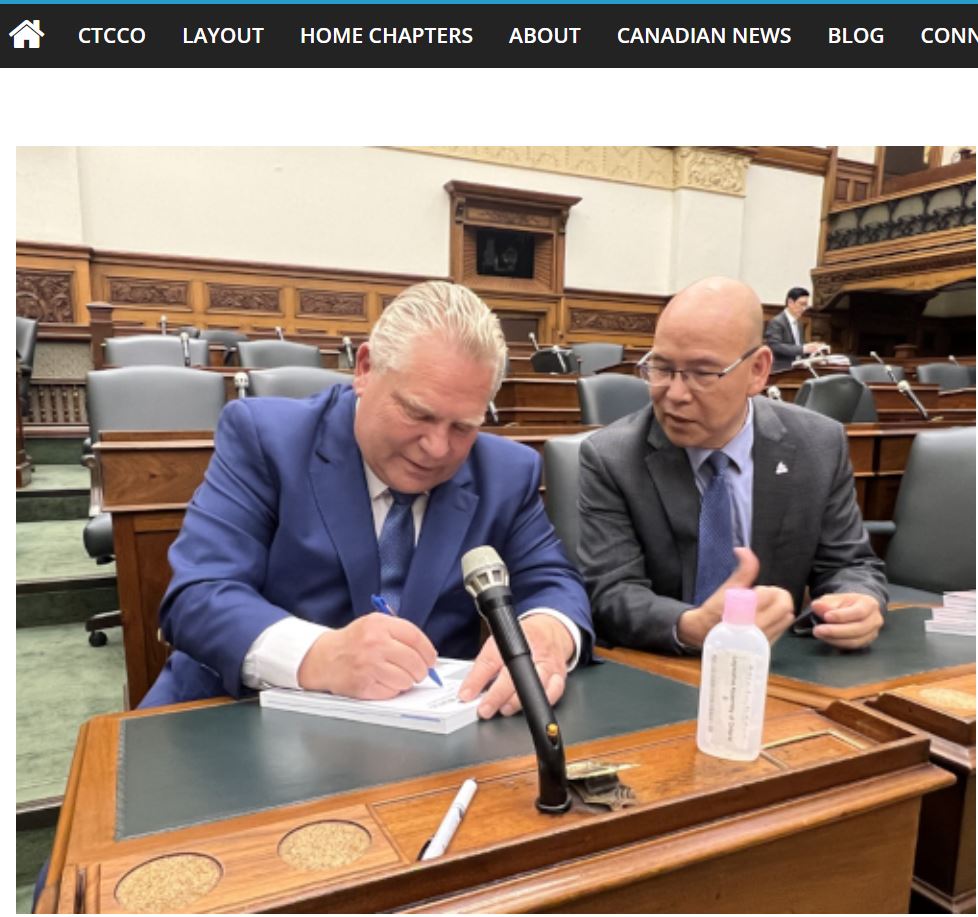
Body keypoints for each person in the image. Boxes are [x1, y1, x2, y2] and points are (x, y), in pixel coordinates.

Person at [142, 280, 593, 719]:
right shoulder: (266, 438)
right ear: (365, 369)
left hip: (420, 745)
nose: (437, 448)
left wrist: (548, 632)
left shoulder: (506, 472)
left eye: (463, 427)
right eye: (417, 413)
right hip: (238, 719)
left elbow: (552, 581)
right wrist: (320, 655)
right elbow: (198, 597)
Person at [578, 276, 886, 655]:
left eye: (703, 373)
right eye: (661, 368)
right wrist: (690, 626)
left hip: (777, 667)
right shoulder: (611, 457)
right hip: (661, 666)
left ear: (758, 370)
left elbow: (849, 563)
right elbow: (609, 591)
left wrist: (857, 601)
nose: (674, 394)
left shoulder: (817, 445)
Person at [764, 286, 829, 372]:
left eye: (806, 305)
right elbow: (775, 346)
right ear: (790, 302)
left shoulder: (799, 324)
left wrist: (815, 349)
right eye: (802, 304)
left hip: (798, 370)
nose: (804, 308)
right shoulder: (777, 322)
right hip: (781, 371)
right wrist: (803, 349)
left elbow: (799, 346)